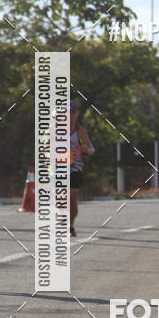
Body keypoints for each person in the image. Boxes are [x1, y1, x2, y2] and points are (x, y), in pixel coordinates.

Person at [69, 100, 95, 238]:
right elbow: (44, 148)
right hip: (57, 168)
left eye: (74, 112)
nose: (71, 114)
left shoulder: (80, 131)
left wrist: (86, 149)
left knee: (72, 198)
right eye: (68, 112)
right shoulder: (53, 130)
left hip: (75, 168)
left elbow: (92, 149)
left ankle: (70, 226)